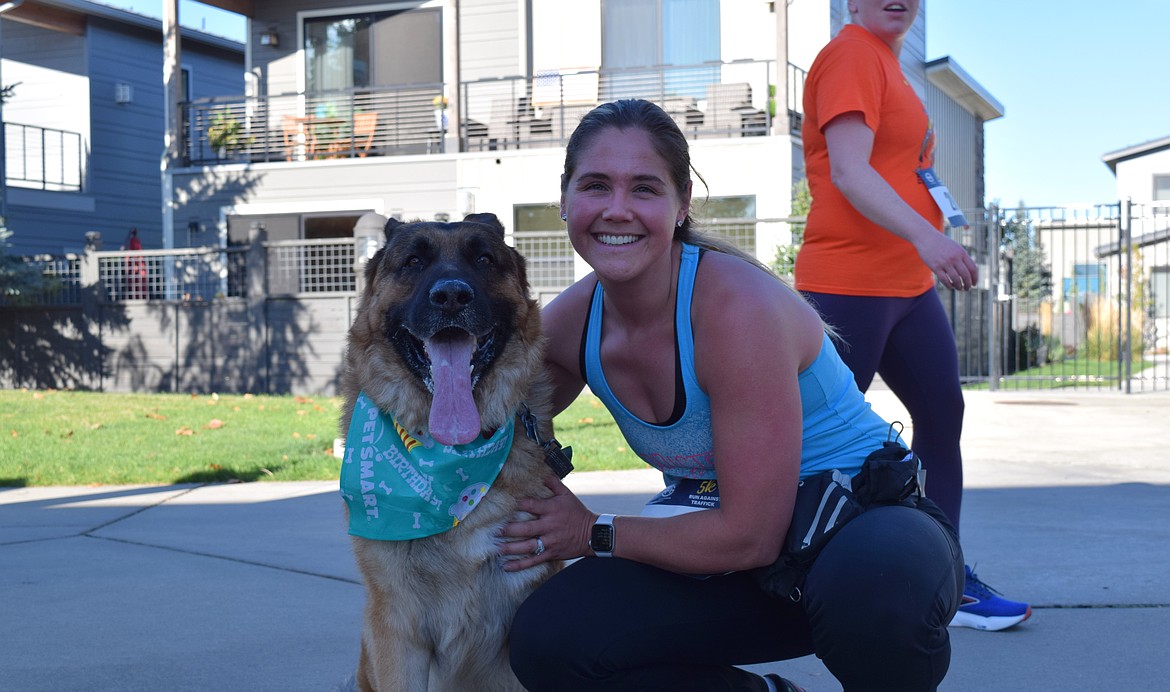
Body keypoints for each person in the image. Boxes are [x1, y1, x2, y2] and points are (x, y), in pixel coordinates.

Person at [499, 99, 964, 692]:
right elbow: (488, 429)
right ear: (565, 199)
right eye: (595, 186)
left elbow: (750, 533)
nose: (618, 209)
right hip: (737, 554)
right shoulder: (572, 322)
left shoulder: (734, 311)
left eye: (645, 188)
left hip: (860, 530)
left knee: (877, 597)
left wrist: (590, 530)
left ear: (681, 204)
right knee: (552, 640)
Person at [794, 0, 1030, 631]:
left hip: (907, 285)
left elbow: (907, 171)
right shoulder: (849, 55)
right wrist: (930, 239)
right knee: (817, 438)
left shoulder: (893, 67)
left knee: (941, 415)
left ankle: (945, 580)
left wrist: (927, 242)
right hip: (848, 282)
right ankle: (787, 573)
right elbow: (848, 170)